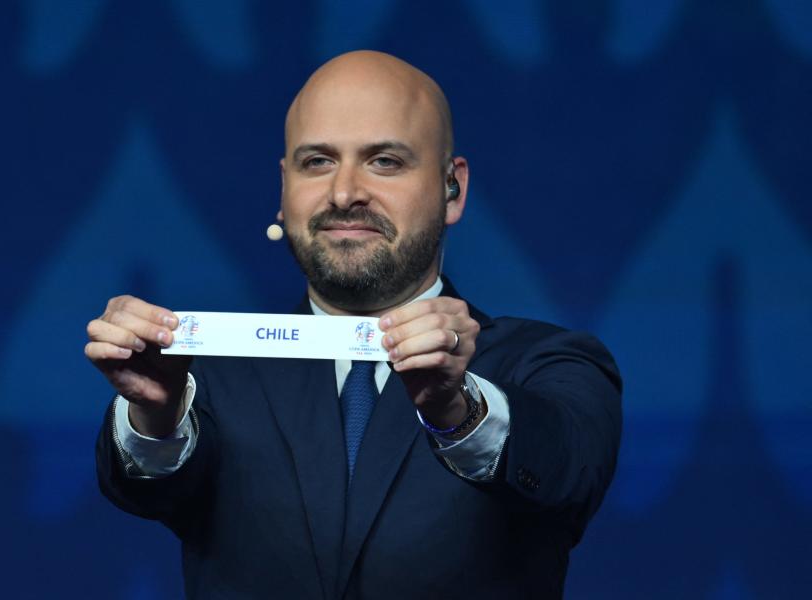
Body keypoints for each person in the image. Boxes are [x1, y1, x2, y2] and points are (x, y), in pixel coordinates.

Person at [87, 50, 621, 599]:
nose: (344, 193)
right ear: (283, 190)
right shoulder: (201, 376)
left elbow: (565, 475)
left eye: (384, 161)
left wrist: (456, 411)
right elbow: (144, 489)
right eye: (317, 162)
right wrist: (154, 413)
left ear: (452, 188)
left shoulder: (549, 364)